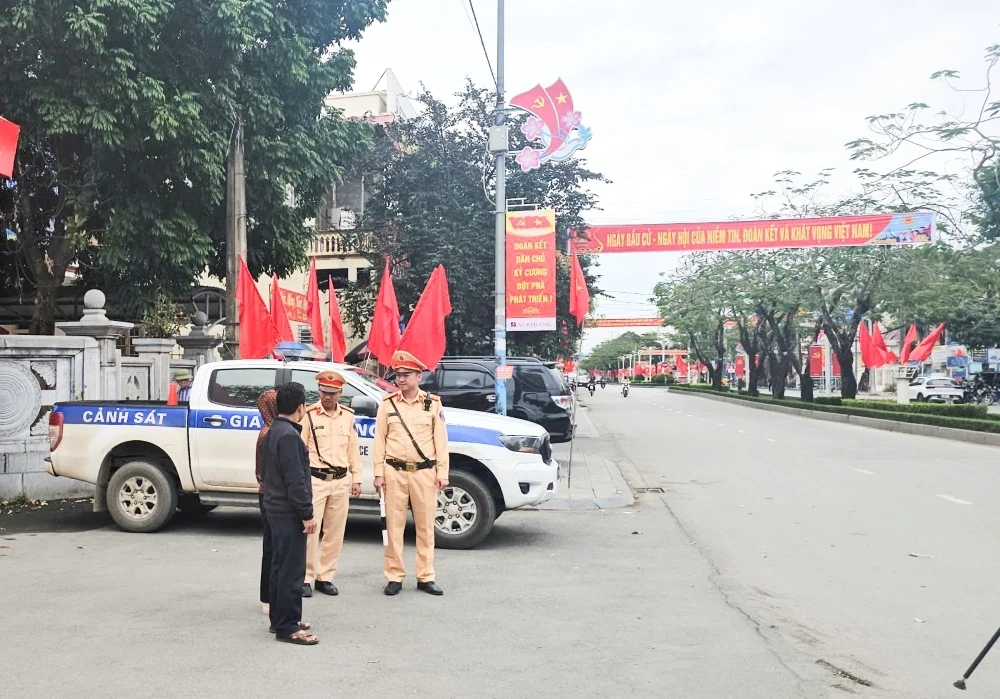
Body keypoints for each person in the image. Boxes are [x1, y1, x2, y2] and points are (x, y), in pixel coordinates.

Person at [373, 350, 448, 597]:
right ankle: (394, 576)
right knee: (394, 527)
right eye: (398, 375)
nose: (401, 379)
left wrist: (442, 472)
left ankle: (425, 576)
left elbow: (441, 441)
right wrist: (378, 473)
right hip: (394, 471)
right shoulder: (387, 404)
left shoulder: (432, 404)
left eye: (406, 375)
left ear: (418, 376)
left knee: (425, 527)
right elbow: (379, 441)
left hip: (424, 473)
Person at [260, 382, 318, 645]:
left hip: (273, 506)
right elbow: (296, 481)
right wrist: (307, 514)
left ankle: (278, 618)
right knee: (292, 569)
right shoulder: (290, 437)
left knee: (278, 565)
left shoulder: (273, 431)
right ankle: (288, 626)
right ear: (300, 407)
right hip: (287, 510)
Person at [300, 370, 361, 598]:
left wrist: (356, 477)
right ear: (319, 391)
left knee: (335, 532)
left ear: (340, 393)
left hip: (340, 480)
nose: (328, 397)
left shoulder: (347, 416)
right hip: (316, 480)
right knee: (310, 531)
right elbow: (300, 448)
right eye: (324, 392)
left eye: (333, 393)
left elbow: (352, 449)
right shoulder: (308, 416)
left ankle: (325, 577)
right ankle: (305, 577)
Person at [255, 389, 278, 616]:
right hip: (270, 496)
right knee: (272, 548)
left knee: (271, 547)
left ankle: (269, 596)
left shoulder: (270, 431)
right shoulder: (270, 434)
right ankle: (268, 597)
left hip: (266, 494)